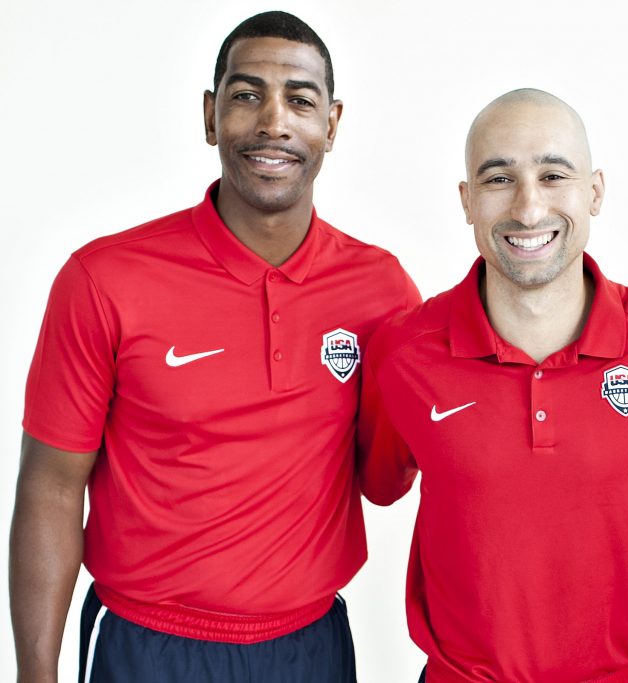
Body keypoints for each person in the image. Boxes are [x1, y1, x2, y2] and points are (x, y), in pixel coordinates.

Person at [10, 11, 419, 683]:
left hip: (308, 646)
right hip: (144, 647)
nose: (273, 122)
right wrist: (35, 674)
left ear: (332, 125)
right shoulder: (105, 278)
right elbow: (51, 485)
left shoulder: (382, 291)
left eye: (300, 100)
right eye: (246, 94)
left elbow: (386, 478)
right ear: (210, 115)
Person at [357, 88, 628, 683]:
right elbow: (380, 486)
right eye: (498, 179)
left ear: (594, 192)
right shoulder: (404, 353)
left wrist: (614, 561)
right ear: (466, 201)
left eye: (553, 175)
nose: (529, 208)